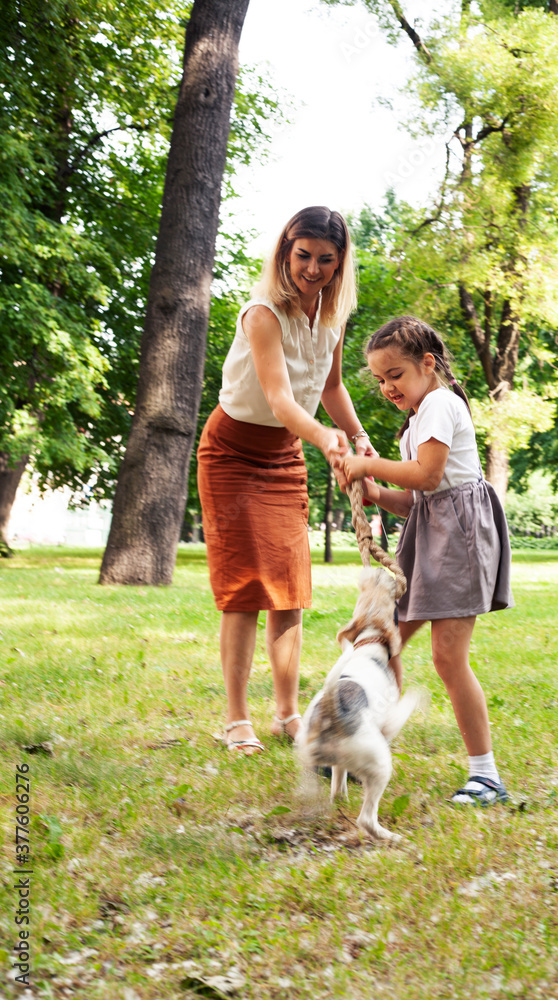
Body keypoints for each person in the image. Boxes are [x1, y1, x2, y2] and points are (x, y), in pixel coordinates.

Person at [197, 207, 374, 755]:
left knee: (289, 592)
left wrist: (358, 437)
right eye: (303, 256)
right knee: (244, 591)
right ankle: (236, 719)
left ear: (340, 263)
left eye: (326, 259)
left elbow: (331, 387)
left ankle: (287, 714)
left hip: (284, 455)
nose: (312, 269)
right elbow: (278, 398)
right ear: (284, 252)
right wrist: (324, 438)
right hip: (232, 453)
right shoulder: (262, 314)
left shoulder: (332, 316)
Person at [341, 316, 513, 805]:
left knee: (447, 657)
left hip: (459, 540)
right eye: (380, 379)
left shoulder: (439, 403)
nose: (387, 387)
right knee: (383, 640)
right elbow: (418, 499)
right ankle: (367, 744)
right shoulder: (418, 418)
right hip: (429, 534)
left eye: (395, 374)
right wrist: (375, 492)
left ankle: (486, 776)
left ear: (428, 363)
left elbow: (429, 476)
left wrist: (366, 464)